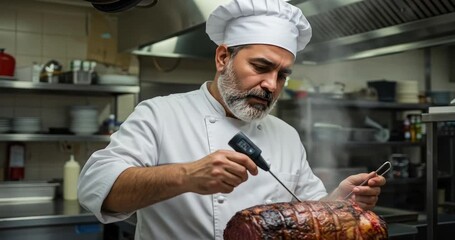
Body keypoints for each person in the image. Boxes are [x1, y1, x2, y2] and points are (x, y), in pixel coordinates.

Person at [78, 0, 386, 239]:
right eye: (261, 67)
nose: (270, 85)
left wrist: (337, 202)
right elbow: (95, 190)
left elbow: (305, 211)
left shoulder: (286, 134)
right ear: (223, 58)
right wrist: (186, 176)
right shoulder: (159, 114)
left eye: (282, 75)